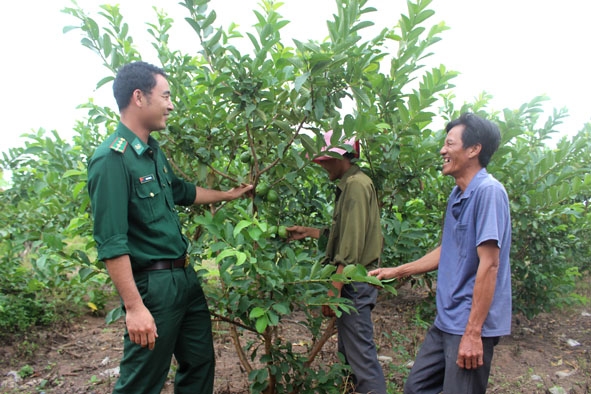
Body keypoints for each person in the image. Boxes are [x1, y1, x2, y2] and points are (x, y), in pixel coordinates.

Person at [87, 61, 252, 394]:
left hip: (184, 278)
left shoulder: (152, 152)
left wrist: (228, 195)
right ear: (139, 97)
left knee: (199, 365)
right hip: (153, 286)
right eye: (165, 95)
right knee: (141, 382)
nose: (171, 104)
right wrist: (134, 307)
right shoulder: (112, 159)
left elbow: (181, 191)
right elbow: (112, 242)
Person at [370, 113, 511, 394]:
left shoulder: (488, 192)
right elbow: (451, 249)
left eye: (450, 143)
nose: (443, 150)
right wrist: (399, 271)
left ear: (474, 149)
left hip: (469, 324)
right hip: (448, 319)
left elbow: (490, 265)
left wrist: (473, 333)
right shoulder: (458, 194)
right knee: (417, 388)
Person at [286, 130, 387, 394]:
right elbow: (348, 234)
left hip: (353, 283)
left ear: (338, 157)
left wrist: (334, 291)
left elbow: (351, 247)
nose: (320, 166)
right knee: (350, 356)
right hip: (353, 282)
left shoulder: (355, 186)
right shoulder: (354, 182)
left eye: (322, 160)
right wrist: (308, 232)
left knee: (362, 361)